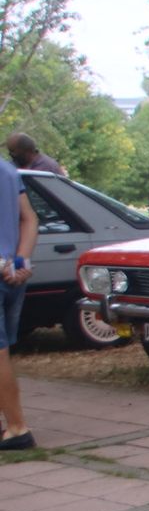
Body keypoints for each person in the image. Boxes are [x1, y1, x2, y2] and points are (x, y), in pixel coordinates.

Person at [0, 152, 38, 450]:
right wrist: (21, 259)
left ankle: (17, 428)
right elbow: (29, 217)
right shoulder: (7, 169)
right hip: (12, 276)